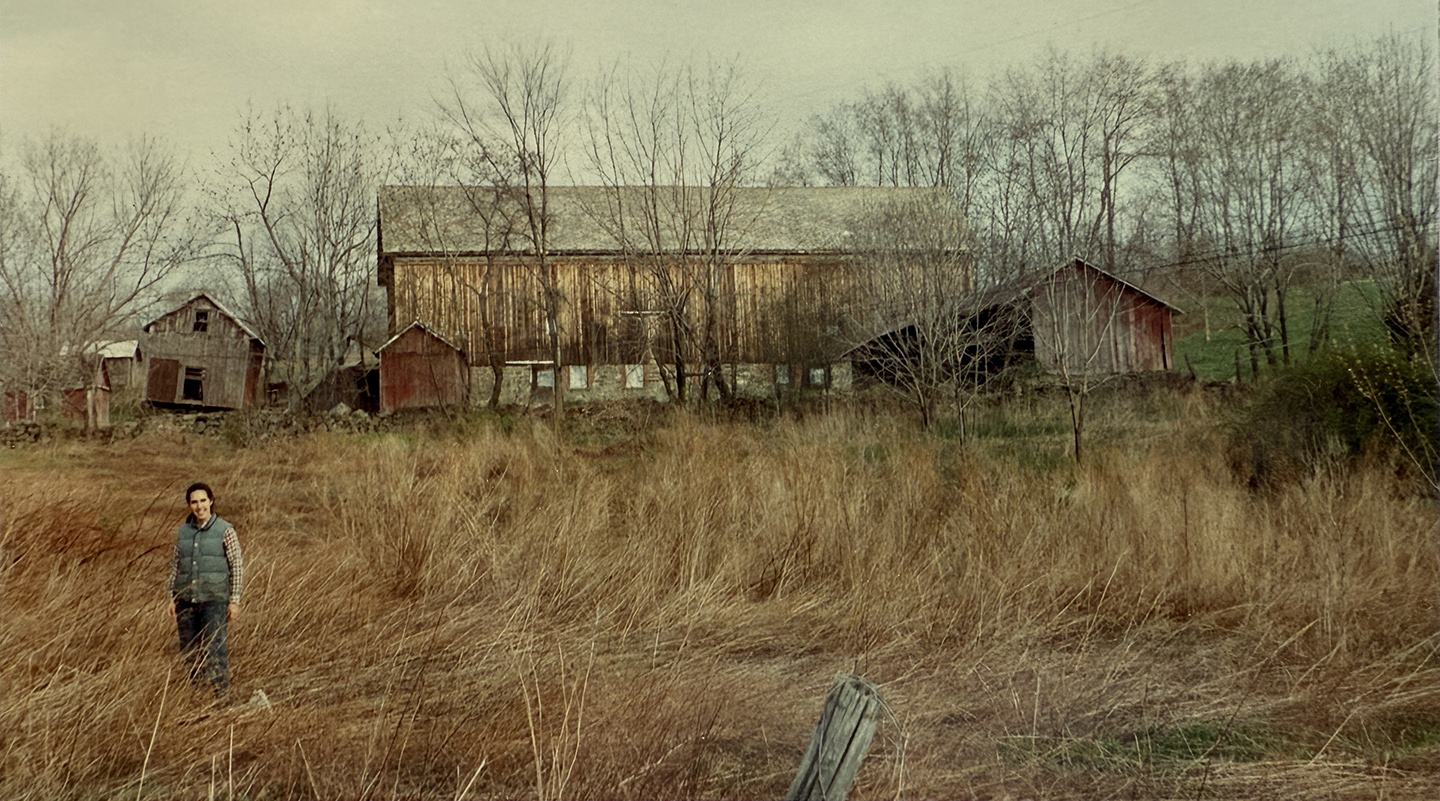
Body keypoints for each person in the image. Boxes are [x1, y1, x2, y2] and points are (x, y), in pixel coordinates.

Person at [167, 482, 243, 697]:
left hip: (214, 600)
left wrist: (234, 600)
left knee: (214, 649)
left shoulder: (225, 530)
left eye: (203, 500)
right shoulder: (183, 532)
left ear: (211, 501)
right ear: (189, 505)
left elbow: (236, 566)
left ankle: (222, 697)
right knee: (189, 651)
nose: (199, 506)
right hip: (185, 601)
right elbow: (176, 566)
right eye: (194, 502)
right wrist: (172, 597)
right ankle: (198, 696)